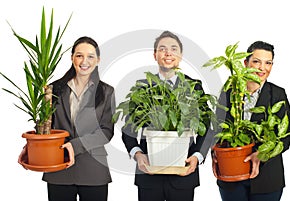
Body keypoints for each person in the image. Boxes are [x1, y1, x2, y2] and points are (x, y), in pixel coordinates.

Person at [18, 36, 115, 201]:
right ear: (72, 58)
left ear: (98, 60)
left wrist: (74, 145)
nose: (85, 61)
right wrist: (30, 149)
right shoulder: (53, 89)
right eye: (79, 55)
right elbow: (45, 126)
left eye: (90, 56)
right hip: (58, 168)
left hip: (93, 171)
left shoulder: (107, 92)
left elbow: (106, 132)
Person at [121, 30, 212, 201]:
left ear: (180, 55)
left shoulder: (193, 86)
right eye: (162, 49)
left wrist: (196, 157)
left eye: (173, 49)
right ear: (155, 55)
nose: (168, 53)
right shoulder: (143, 86)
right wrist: (138, 155)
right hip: (149, 173)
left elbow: (206, 127)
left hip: (183, 172)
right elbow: (128, 130)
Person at [215, 41, 290, 201]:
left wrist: (262, 155)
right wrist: (215, 155)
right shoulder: (230, 90)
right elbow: (217, 128)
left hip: (267, 180)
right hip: (232, 177)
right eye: (256, 61)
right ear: (246, 63)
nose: (262, 68)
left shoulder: (277, 94)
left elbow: (285, 138)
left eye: (268, 63)